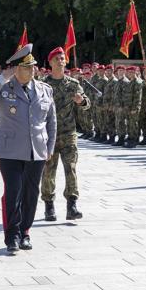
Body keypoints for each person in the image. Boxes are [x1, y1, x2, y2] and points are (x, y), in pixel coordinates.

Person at [0, 43, 56, 252]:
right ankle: (12, 235)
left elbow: (51, 121)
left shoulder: (44, 89)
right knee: (13, 191)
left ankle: (25, 232)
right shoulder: (3, 87)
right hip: (10, 151)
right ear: (16, 69)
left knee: (31, 193)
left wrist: (50, 147)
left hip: (36, 150)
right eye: (26, 67)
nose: (32, 70)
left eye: (33, 67)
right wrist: (2, 78)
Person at [41, 47, 90, 222]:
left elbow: (86, 104)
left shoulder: (73, 84)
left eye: (62, 58)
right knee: (48, 171)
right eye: (57, 59)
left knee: (71, 169)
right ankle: (49, 206)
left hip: (69, 133)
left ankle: (72, 205)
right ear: (50, 62)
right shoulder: (43, 84)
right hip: (49, 135)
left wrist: (81, 101)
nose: (61, 61)